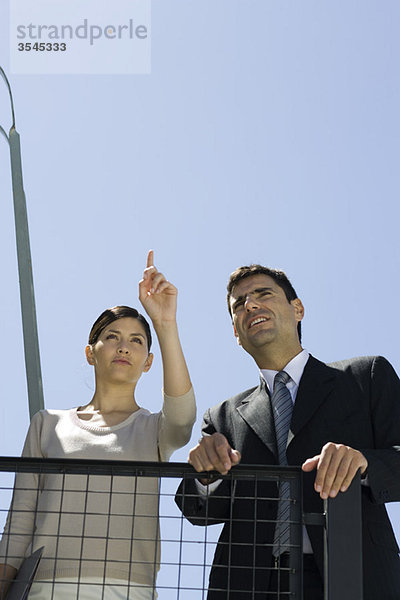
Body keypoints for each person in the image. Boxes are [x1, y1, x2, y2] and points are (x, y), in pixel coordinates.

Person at [176, 264, 400, 600]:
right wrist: (205, 477)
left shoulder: (366, 377)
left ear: (298, 309)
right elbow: (195, 508)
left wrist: (363, 462)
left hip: (355, 577)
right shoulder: (221, 417)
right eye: (239, 304)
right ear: (236, 334)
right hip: (249, 586)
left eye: (263, 294)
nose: (250, 305)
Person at [0, 250, 196, 600]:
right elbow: (19, 521)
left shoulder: (154, 430)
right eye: (113, 336)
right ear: (91, 352)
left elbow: (182, 419)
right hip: (43, 590)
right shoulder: (47, 424)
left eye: (137, 340)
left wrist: (166, 324)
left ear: (148, 362)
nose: (124, 347)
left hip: (129, 591)